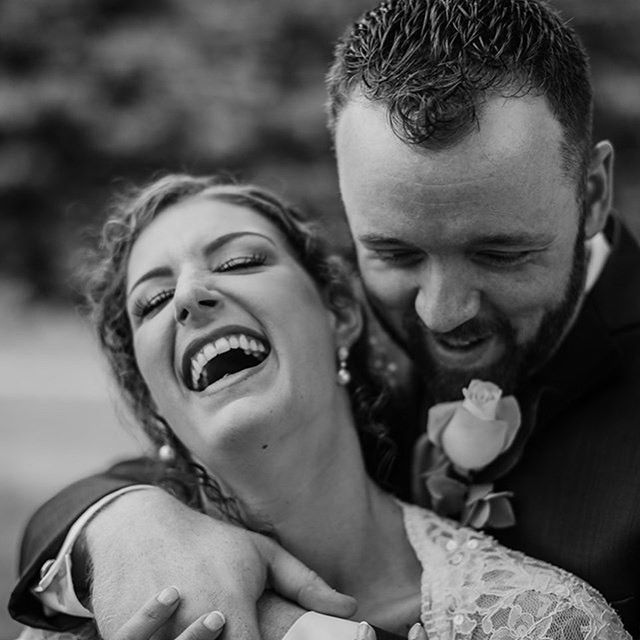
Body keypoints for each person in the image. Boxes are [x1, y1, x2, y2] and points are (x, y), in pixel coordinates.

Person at [9, 0, 640, 637]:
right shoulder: (331, 339)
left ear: (591, 195)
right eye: (394, 252)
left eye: (499, 252)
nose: (439, 312)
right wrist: (121, 525)